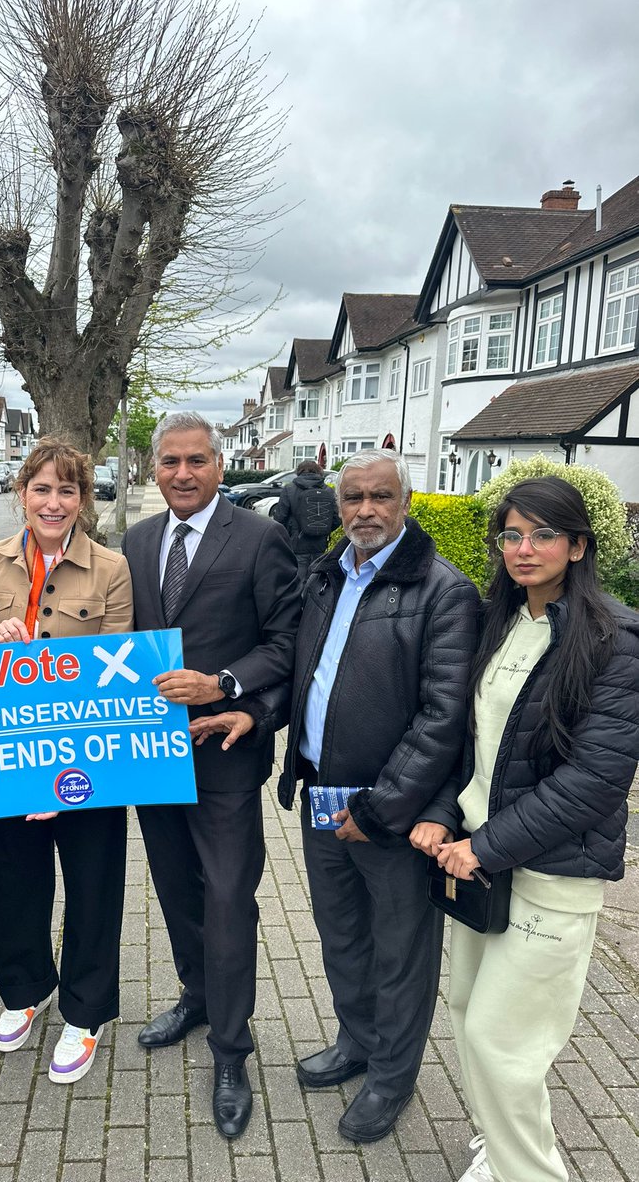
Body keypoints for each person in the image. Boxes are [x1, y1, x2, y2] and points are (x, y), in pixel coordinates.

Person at [411, 477, 639, 1182]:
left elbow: (593, 781)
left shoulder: (614, 640)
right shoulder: (500, 621)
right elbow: (478, 748)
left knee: (501, 1042)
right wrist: (443, 814)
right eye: (511, 535)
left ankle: (530, 1172)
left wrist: (480, 845)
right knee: (467, 1014)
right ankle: (499, 1142)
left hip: (548, 875)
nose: (524, 549)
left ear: (577, 546)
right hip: (481, 865)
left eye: (543, 535)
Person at [278, 447, 480, 1143]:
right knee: (342, 939)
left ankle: (393, 1076)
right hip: (321, 799)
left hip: (388, 814)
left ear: (406, 503)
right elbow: (304, 671)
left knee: (401, 952)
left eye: (380, 497)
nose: (365, 510)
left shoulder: (444, 591)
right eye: (353, 498)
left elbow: (443, 717)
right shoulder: (326, 575)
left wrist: (382, 807)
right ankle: (357, 1042)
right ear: (338, 506)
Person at [120, 411, 300, 1139]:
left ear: (220, 466)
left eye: (197, 460)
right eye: (170, 462)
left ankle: (232, 1047)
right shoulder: (134, 541)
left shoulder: (261, 539)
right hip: (150, 757)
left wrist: (225, 684)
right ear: (153, 469)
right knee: (177, 889)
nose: (183, 474)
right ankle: (198, 995)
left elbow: (289, 642)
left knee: (229, 898)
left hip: (224, 751)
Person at [0, 437, 133, 1084]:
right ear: (22, 494)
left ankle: (85, 1014)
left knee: (94, 891)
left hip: (88, 764)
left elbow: (115, 674)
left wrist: (60, 781)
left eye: (67, 490)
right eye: (42, 489)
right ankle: (25, 991)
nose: (54, 502)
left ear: (84, 499)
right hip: (7, 764)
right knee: (12, 887)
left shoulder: (111, 569)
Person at [273, 459, 341, 577]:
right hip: (320, 543)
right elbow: (337, 518)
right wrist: (323, 530)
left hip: (296, 543)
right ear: (319, 472)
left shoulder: (289, 489)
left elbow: (280, 518)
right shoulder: (328, 490)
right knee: (317, 578)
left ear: (298, 472)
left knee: (297, 580)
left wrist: (289, 535)